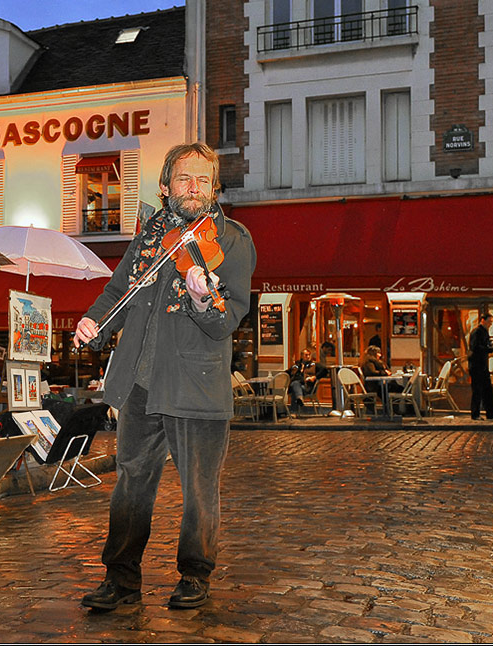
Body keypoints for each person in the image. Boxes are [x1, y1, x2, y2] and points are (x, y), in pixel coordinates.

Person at [73, 142, 256, 612]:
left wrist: (201, 299)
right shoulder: (150, 234)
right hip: (140, 383)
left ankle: (195, 574)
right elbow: (119, 290)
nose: (193, 188)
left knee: (199, 487)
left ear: (213, 187)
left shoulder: (231, 239)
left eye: (202, 179)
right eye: (183, 179)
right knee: (131, 480)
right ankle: (121, 577)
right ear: (166, 186)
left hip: (195, 385)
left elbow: (229, 315)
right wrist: (95, 322)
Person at [467, 312, 493, 421]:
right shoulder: (477, 332)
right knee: (478, 390)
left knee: (487, 390)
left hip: (482, 365)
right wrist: (490, 349)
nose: (490, 324)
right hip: (477, 365)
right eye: (489, 321)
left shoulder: (483, 331)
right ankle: (475, 414)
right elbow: (475, 347)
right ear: (483, 320)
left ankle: (491, 413)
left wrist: (491, 345)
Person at [288, 348, 328, 414]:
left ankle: (294, 411)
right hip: (298, 386)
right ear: (301, 356)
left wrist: (314, 377)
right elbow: (288, 372)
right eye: (306, 355)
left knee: (294, 387)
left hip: (307, 387)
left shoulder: (313, 365)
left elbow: (325, 370)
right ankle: (299, 398)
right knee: (295, 385)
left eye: (309, 355)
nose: (308, 356)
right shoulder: (297, 365)